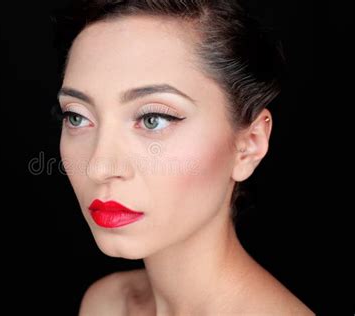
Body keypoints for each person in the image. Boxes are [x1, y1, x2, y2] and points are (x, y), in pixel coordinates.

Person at [52, 0, 314, 314]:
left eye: (153, 119)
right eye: (77, 117)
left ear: (249, 144)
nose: (99, 167)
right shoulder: (106, 304)